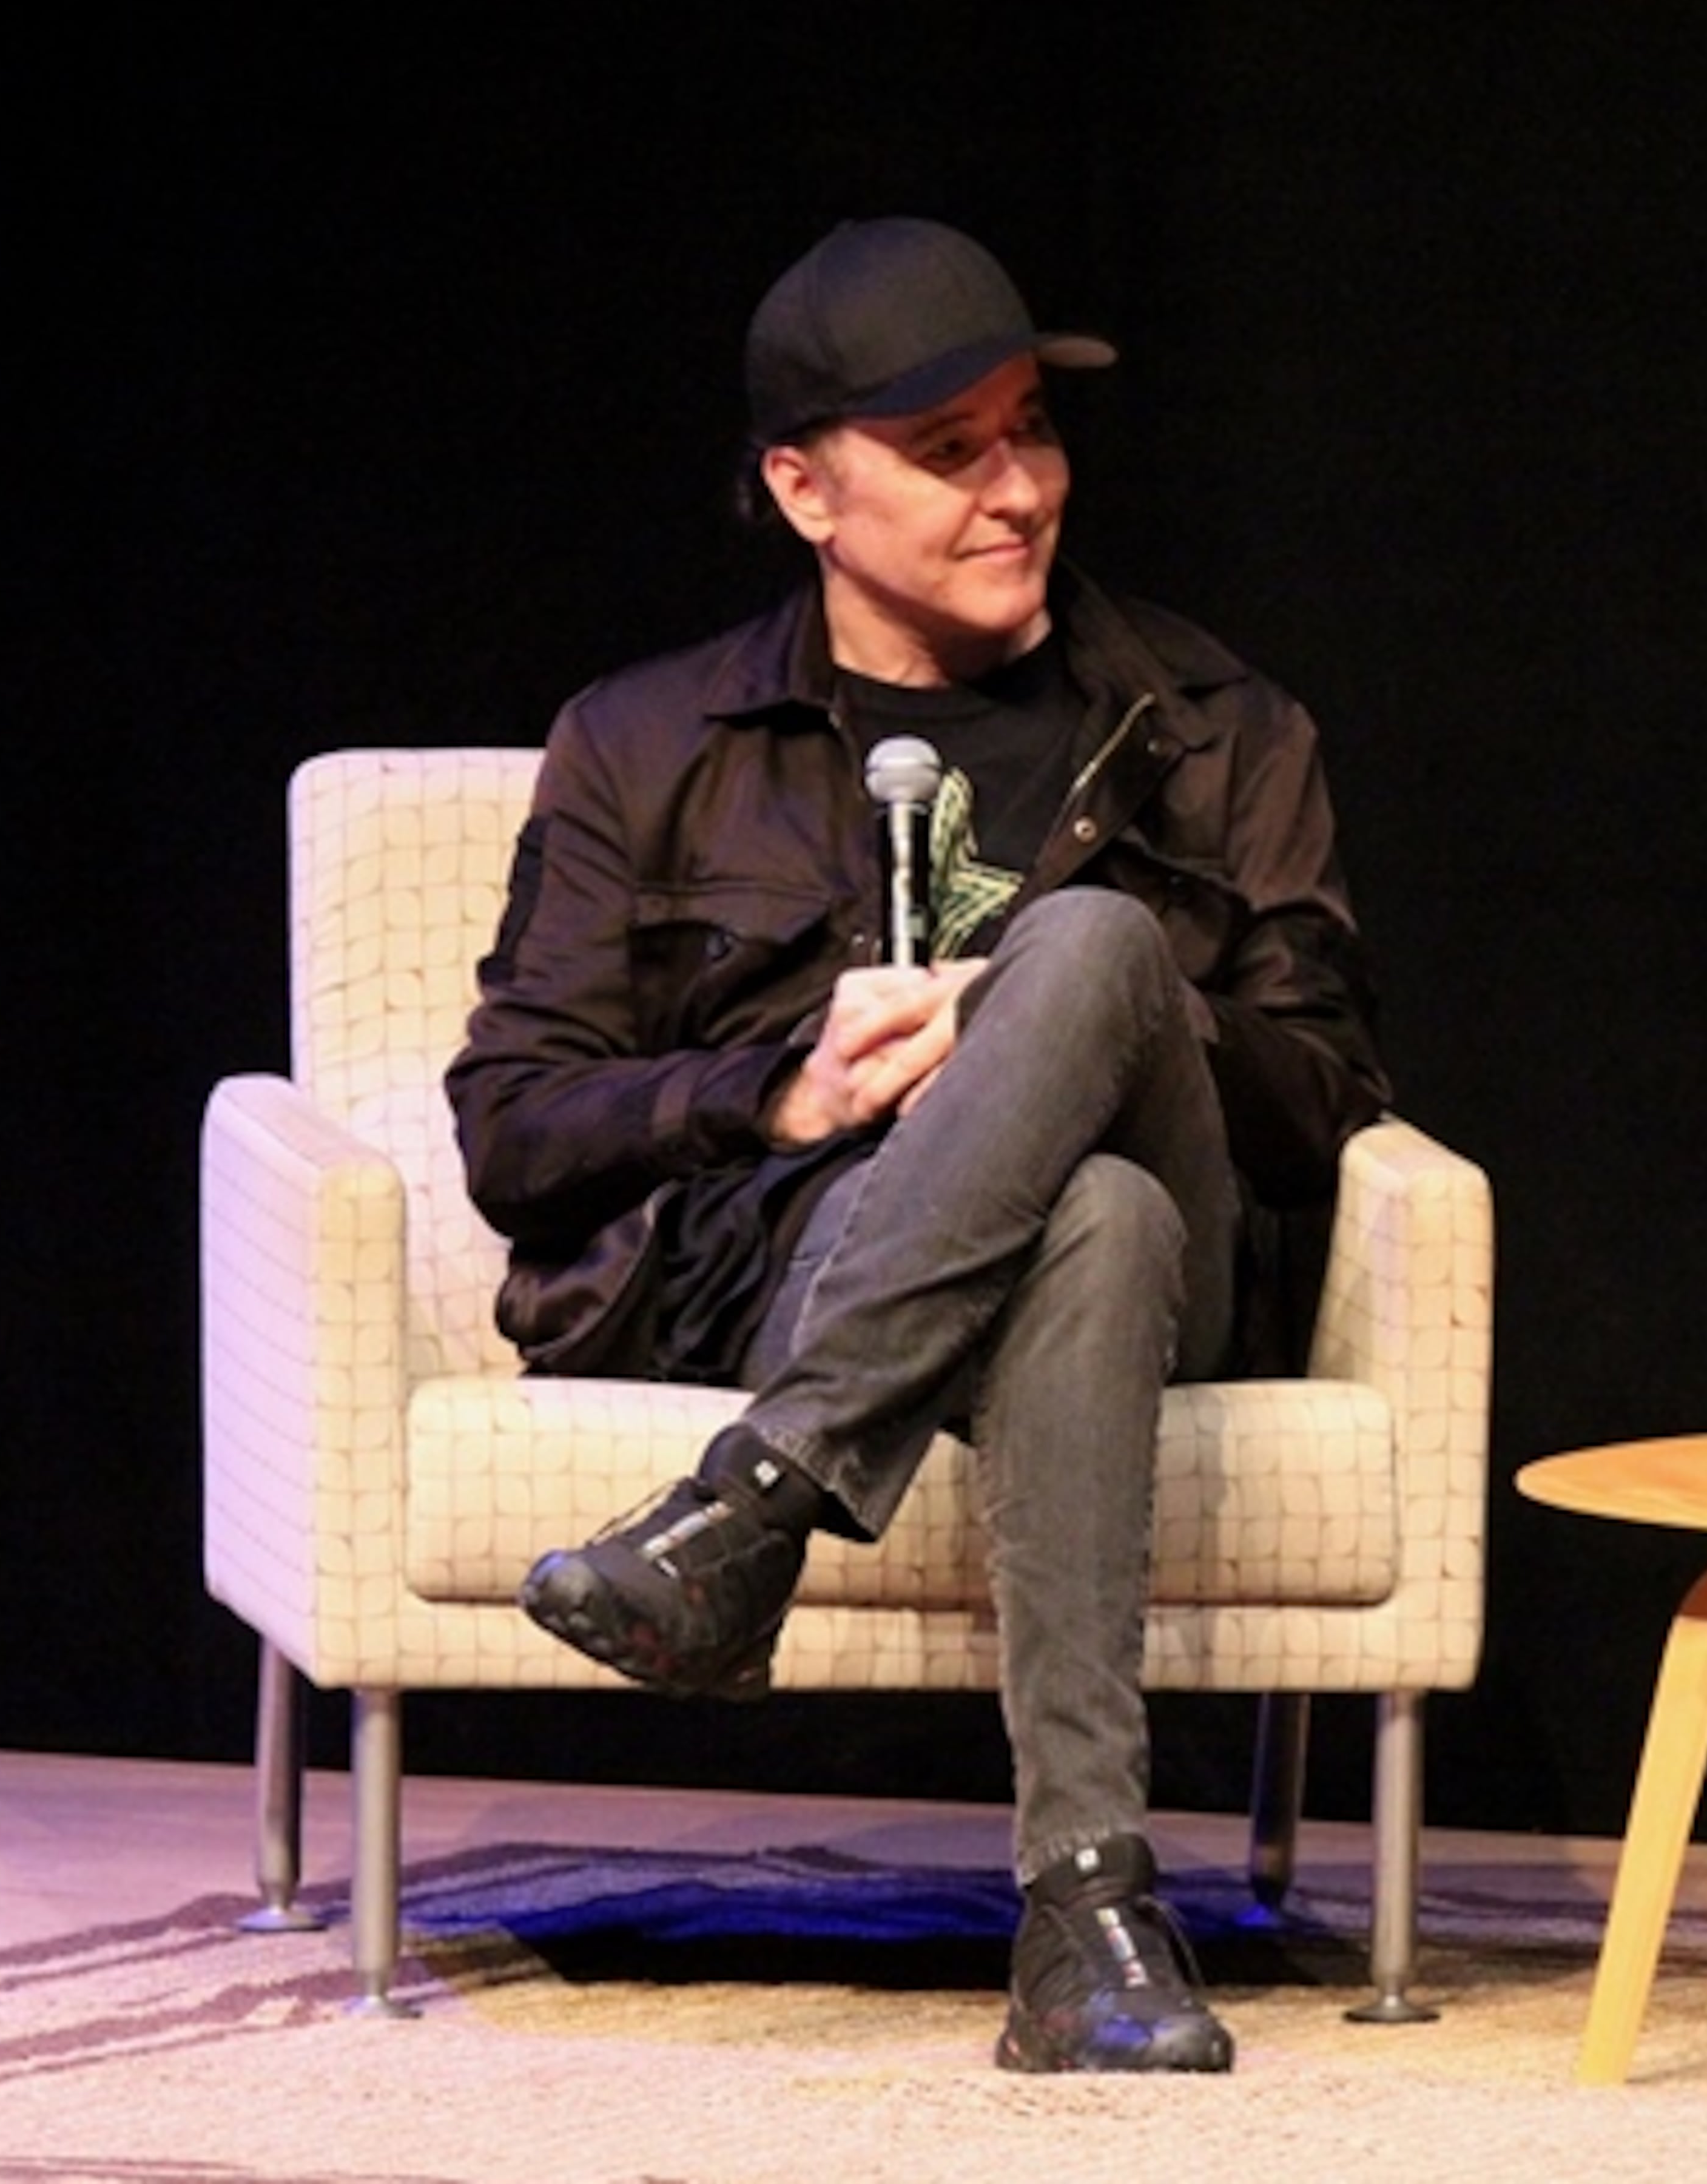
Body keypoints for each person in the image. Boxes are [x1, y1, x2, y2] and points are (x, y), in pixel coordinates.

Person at [446, 216, 1390, 2073]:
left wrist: (1091, 1016)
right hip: (801, 1250)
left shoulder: (1211, 729)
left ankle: (753, 1512)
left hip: (1188, 1258)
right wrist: (777, 1091)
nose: (1020, 489)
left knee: (1104, 955)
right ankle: (1090, 1917)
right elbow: (513, 1130)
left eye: (1031, 432)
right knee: (1091, 1220)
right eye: (950, 452)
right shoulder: (648, 742)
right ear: (806, 488)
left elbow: (1327, 1093)